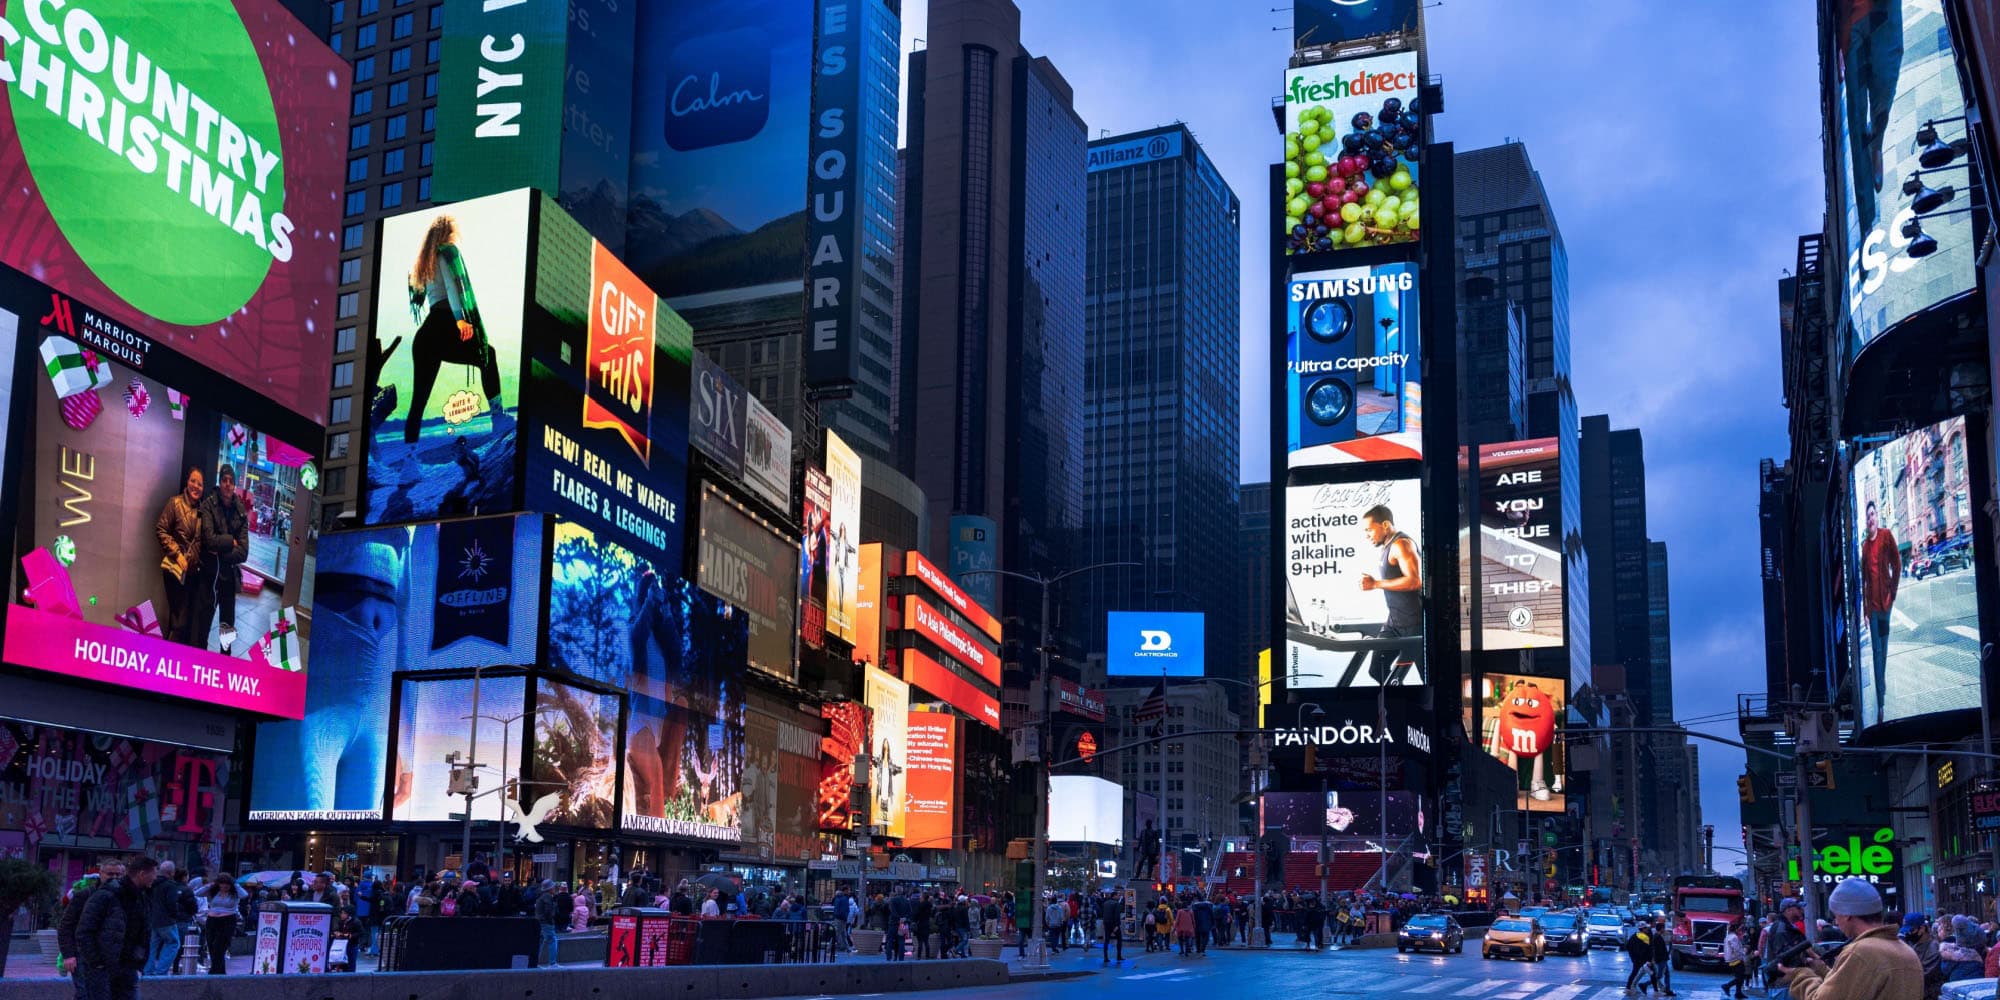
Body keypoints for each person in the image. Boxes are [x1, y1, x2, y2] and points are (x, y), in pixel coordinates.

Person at [392, 213, 509, 482]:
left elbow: (417, 298)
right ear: (448, 232)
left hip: (426, 336)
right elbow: (455, 289)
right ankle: (498, 417)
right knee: (486, 354)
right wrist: (461, 320)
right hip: (446, 323)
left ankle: (409, 463)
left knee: (418, 402)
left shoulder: (423, 263)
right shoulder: (447, 252)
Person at [1778, 877, 1923, 1000]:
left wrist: (1801, 974)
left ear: (1847, 914)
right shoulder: (1906, 951)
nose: (1836, 922)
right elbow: (1855, 988)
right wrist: (1822, 969)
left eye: (1836, 915)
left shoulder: (1860, 952)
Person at [1350, 504, 1425, 685]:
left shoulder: (1401, 544)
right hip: (1394, 622)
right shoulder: (1387, 546)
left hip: (1414, 624)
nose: (1366, 535)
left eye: (1369, 529)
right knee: (1377, 670)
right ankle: (1396, 707)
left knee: (1427, 676)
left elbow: (1415, 581)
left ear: (1384, 524)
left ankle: (1411, 709)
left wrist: (1375, 583)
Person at [78, 856, 159, 1000]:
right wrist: (96, 963)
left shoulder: (143, 898)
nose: (155, 877)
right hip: (103, 968)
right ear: (141, 874)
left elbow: (143, 932)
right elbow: (85, 931)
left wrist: (138, 960)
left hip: (128, 967)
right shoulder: (106, 895)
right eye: (153, 873)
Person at [194, 464, 250, 654]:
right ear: (220, 482)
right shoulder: (209, 504)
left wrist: (221, 549)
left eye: (231, 481)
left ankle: (224, 663)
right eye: (224, 480)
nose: (227, 484)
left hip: (229, 580)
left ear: (234, 485)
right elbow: (209, 541)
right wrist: (230, 542)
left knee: (227, 632)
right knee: (202, 625)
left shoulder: (241, 512)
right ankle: (198, 661)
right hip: (209, 575)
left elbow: (243, 552)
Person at [1858, 500, 1901, 722]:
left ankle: (1881, 690)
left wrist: (1892, 593)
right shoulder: (1865, 547)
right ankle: (1881, 703)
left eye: (1873, 514)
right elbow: (1864, 581)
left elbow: (1897, 563)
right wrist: (1866, 610)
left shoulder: (1885, 536)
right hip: (1873, 609)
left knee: (1883, 651)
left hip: (1885, 605)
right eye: (1868, 516)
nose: (1871, 518)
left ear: (1877, 517)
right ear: (1866, 522)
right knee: (1876, 653)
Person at [60, 858, 125, 1000]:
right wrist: (68, 954)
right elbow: (67, 924)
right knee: (84, 993)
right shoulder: (85, 894)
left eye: (118, 875)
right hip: (82, 953)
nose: (114, 878)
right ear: (101, 873)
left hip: (108, 956)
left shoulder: (123, 897)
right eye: (110, 874)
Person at [155, 468, 206, 646]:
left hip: (192, 575)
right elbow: (161, 529)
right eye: (193, 481)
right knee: (179, 621)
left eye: (200, 484)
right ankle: (168, 658)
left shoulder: (203, 512)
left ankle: (172, 656)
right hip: (174, 572)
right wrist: (177, 554)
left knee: (182, 621)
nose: (196, 486)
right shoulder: (174, 503)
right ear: (187, 482)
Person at [142, 860, 194, 977]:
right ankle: (161, 971)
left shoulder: (151, 884)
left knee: (152, 946)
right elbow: (171, 903)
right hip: (166, 920)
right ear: (172, 873)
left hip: (152, 919)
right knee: (173, 943)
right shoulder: (170, 885)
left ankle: (148, 971)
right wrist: (174, 915)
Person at [194, 872, 243, 976]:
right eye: (221, 883)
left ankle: (213, 972)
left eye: (227, 883)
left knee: (219, 947)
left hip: (228, 921)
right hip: (212, 921)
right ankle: (220, 973)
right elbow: (197, 893)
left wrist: (235, 884)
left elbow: (244, 895)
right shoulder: (213, 892)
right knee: (212, 946)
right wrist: (210, 885)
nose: (224, 886)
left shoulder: (234, 894)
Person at [1625, 918, 1656, 994]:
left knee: (1635, 972)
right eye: (1646, 928)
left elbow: (1628, 946)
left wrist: (1633, 957)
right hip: (1644, 960)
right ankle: (1656, 990)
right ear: (1643, 929)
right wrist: (1649, 959)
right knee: (1653, 974)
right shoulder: (1646, 937)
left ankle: (1628, 987)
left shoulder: (1634, 936)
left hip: (1637, 959)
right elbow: (1649, 950)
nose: (1647, 929)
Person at [1723, 923, 1751, 999]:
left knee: (1739, 976)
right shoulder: (1734, 937)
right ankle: (1727, 986)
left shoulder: (1728, 936)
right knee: (1740, 977)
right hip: (1736, 959)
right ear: (1736, 929)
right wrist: (1744, 952)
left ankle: (1738, 993)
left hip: (1730, 959)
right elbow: (1736, 949)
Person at [1099, 891, 1125, 965]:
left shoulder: (1105, 903)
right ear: (1114, 896)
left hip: (1107, 923)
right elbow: (1117, 915)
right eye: (1118, 895)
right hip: (1114, 924)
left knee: (1106, 940)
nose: (1119, 896)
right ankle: (1118, 955)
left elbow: (1102, 913)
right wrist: (1117, 925)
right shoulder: (1116, 904)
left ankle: (1105, 957)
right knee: (1119, 939)